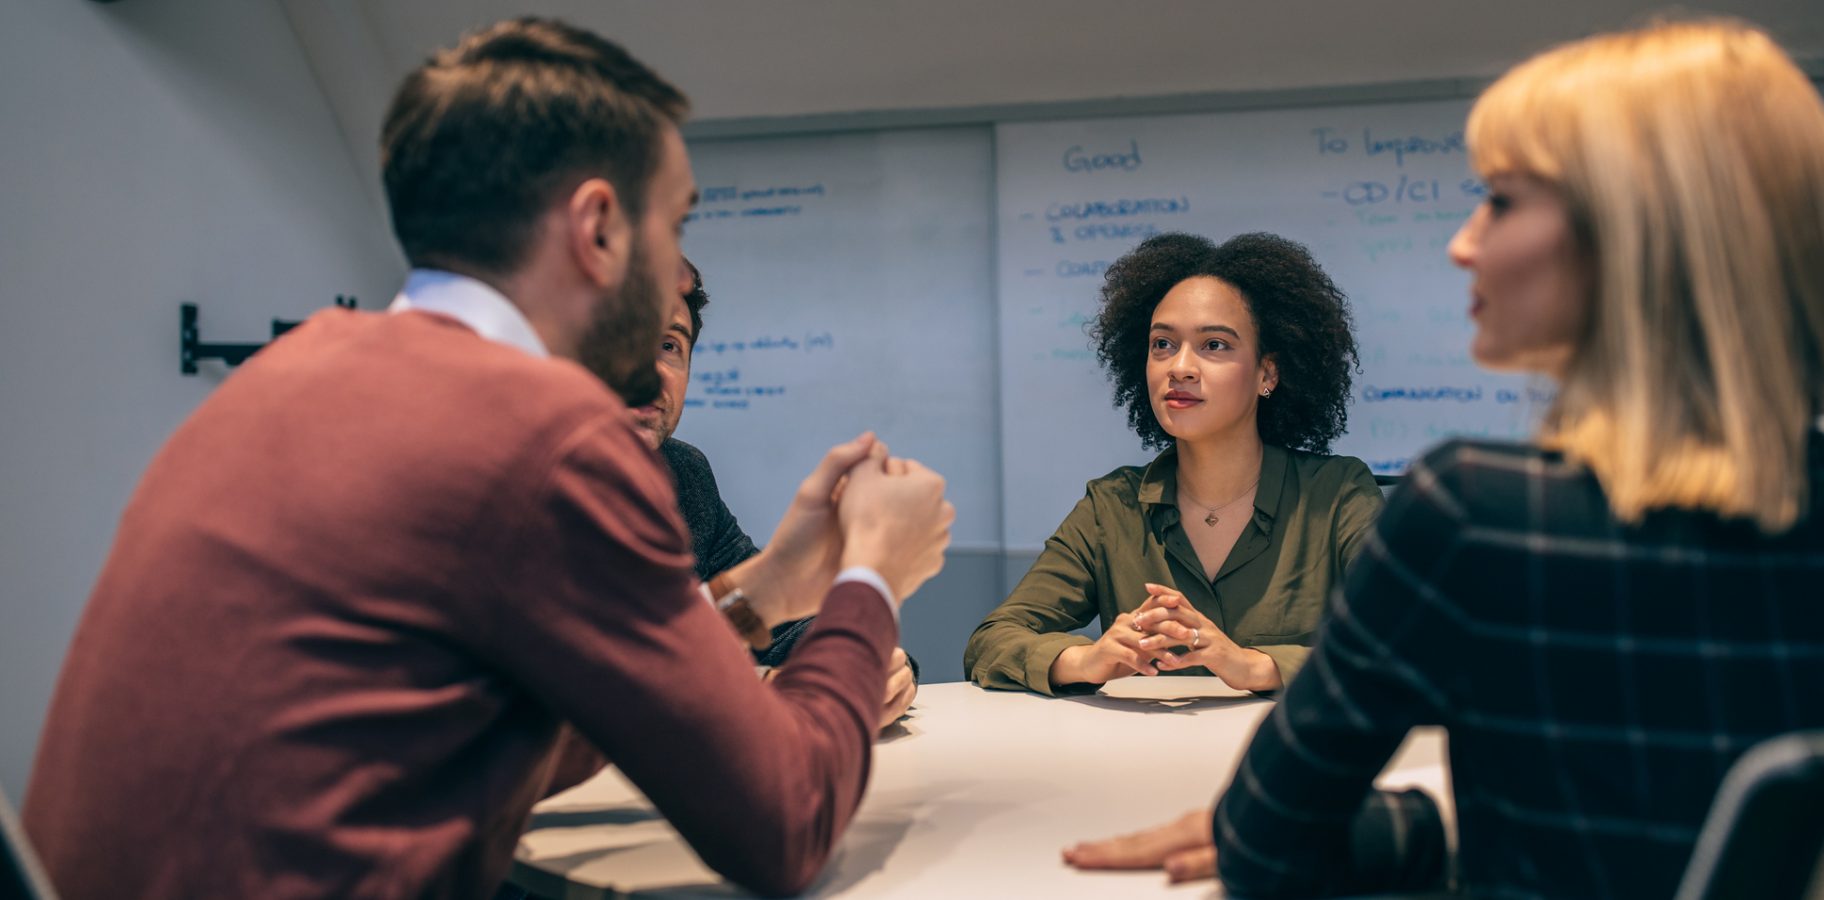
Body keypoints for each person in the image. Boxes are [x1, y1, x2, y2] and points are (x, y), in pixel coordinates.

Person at [24, 18, 953, 899]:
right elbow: (788, 826)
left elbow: (468, 740)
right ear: (597, 230)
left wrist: (760, 597)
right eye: (673, 225)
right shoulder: (550, 438)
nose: (678, 265)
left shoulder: (295, 372)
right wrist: (873, 573)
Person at [1063, 19, 1824, 899]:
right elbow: (1753, 837)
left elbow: (1267, 846)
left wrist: (1402, 831)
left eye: (1501, 200)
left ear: (1631, 233)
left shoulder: (1473, 512)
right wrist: (1450, 827)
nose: (1465, 243)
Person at [965, 232, 1382, 695]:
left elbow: (1409, 646)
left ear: (1267, 373)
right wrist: (1087, 657)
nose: (1179, 367)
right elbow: (992, 640)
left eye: (1215, 345)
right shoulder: (1111, 507)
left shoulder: (1339, 495)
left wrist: (1256, 666)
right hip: (1146, 765)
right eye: (1162, 344)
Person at [633, 260, 919, 731]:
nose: (650, 374)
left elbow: (754, 616)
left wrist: (856, 657)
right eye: (621, 342)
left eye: (669, 346)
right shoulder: (510, 486)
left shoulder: (684, 474)